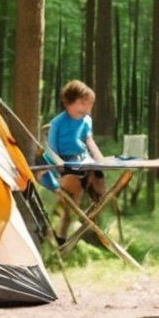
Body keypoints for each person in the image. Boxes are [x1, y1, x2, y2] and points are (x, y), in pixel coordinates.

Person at [45, 80, 108, 234]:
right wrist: (61, 165)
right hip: (65, 164)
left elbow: (89, 140)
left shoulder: (87, 120)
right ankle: (62, 231)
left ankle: (90, 225)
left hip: (84, 161)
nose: (87, 107)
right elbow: (51, 150)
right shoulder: (58, 123)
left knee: (99, 182)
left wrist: (101, 159)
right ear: (69, 103)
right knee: (72, 193)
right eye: (82, 102)